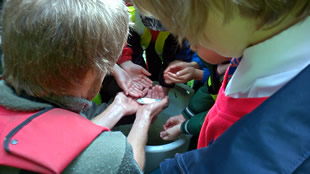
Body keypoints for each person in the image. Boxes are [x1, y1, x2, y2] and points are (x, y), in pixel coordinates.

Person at [132, 0, 310, 173]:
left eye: (186, 26)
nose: (184, 40)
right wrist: (186, 115)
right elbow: (214, 90)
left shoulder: (281, 135)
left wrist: (184, 127)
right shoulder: (245, 51)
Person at [0, 0, 168, 174]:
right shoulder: (109, 156)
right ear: (88, 73)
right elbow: (129, 165)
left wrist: (119, 107)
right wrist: (144, 116)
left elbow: (69, 135)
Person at [160, 48, 230, 149]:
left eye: (199, 43)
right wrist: (184, 116)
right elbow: (210, 88)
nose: (192, 47)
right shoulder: (222, 66)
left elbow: (220, 116)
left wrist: (183, 127)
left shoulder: (240, 79)